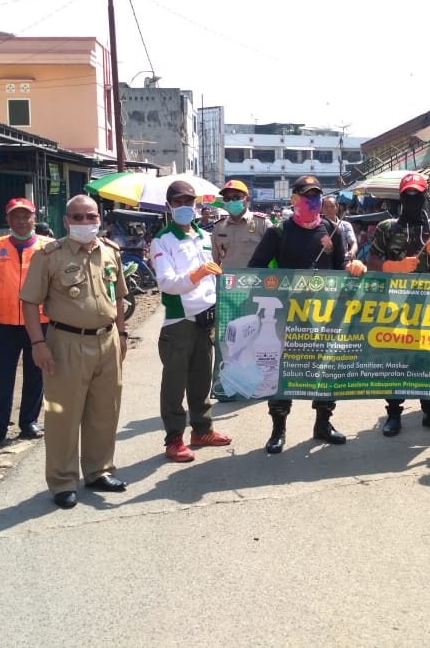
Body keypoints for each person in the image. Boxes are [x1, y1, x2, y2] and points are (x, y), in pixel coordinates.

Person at [19, 194, 129, 510]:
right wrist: (38, 344)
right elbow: (29, 302)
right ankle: (63, 481)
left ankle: (98, 471)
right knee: (62, 416)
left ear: (99, 219)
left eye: (90, 216)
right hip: (65, 342)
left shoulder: (110, 252)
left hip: (106, 340)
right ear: (66, 221)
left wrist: (121, 334)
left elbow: (119, 296)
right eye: (77, 217)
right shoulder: (49, 255)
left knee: (104, 410)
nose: (84, 222)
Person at [247, 175, 365, 454]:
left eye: (317, 196)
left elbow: (341, 268)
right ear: (294, 199)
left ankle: (323, 423)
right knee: (282, 372)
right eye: (307, 196)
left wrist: (355, 265)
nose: (313, 202)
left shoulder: (331, 229)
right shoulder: (278, 232)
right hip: (287, 317)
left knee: (326, 369)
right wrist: (283, 285)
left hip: (324, 317)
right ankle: (278, 429)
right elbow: (256, 270)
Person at [150, 179, 232, 464]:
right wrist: (195, 276)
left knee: (201, 379)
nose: (185, 206)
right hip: (179, 322)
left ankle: (202, 430)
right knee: (174, 385)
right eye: (179, 201)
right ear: (169, 206)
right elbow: (167, 282)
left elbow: (212, 276)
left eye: (190, 201)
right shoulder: (163, 240)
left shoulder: (203, 236)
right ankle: (174, 440)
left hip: (204, 319)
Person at [367, 172, 430, 436]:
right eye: (408, 195)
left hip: (428, 306)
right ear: (401, 198)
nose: (413, 199)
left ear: (424, 196)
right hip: (395, 304)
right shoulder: (387, 228)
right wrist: (394, 266)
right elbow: (372, 262)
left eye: (417, 194)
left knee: (428, 357)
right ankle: (393, 414)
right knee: (396, 357)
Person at [0, 198, 53, 448]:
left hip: (40, 323)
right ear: (8, 220)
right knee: (3, 378)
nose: (21, 221)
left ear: (34, 218)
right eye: (15, 216)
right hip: (5, 324)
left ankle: (29, 422)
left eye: (26, 216)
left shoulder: (48, 247)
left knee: (35, 375)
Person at [211, 179, 270, 269]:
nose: (231, 202)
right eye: (227, 199)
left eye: (236, 197)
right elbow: (215, 261)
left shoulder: (262, 223)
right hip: (228, 280)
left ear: (247, 199)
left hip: (254, 280)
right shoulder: (219, 227)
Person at [322, 195, 357, 263]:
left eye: (332, 206)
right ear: (322, 209)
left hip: (343, 261)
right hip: (324, 262)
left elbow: (353, 242)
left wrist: (352, 251)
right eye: (326, 207)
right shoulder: (318, 225)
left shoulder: (346, 225)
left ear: (337, 207)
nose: (329, 209)